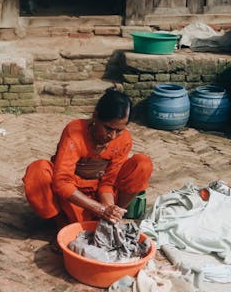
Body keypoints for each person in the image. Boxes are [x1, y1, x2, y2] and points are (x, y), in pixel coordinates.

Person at [23, 89, 153, 228]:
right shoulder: (75, 131)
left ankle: (113, 216)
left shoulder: (124, 140)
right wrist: (100, 209)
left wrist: (109, 210)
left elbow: (108, 182)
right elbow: (62, 182)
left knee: (142, 163)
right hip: (71, 192)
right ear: (95, 116)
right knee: (38, 170)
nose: (112, 136)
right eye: (108, 128)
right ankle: (60, 222)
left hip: (99, 193)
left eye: (119, 130)